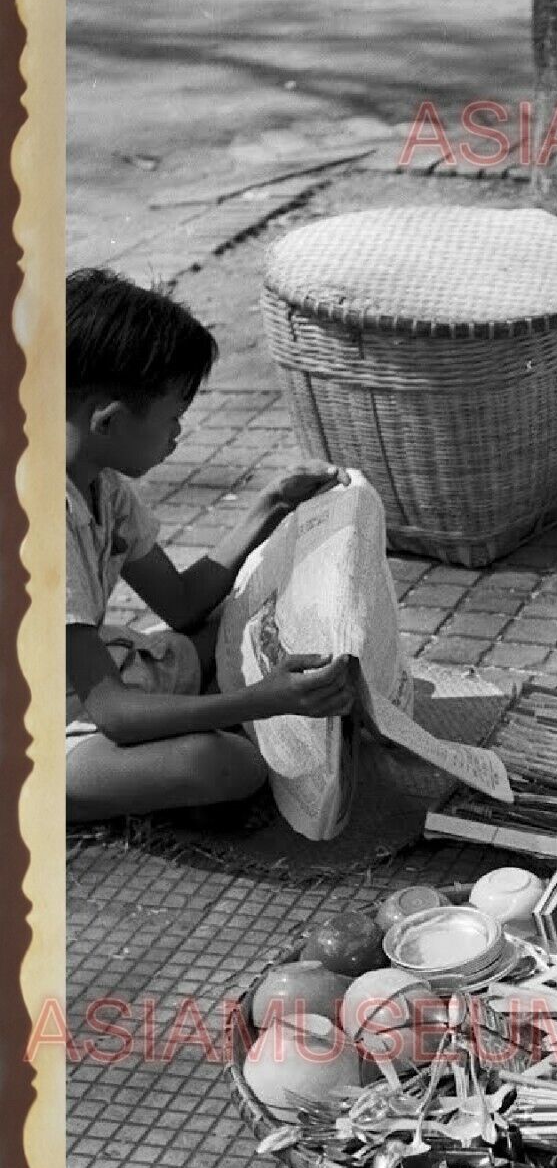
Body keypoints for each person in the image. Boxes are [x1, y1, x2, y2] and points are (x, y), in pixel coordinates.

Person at [66, 267, 355, 822]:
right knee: (222, 763)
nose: (177, 436)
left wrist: (271, 506)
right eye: (172, 418)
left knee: (240, 625)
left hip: (85, 681)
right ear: (108, 419)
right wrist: (264, 700)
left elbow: (180, 603)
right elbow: (117, 714)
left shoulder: (102, 485)